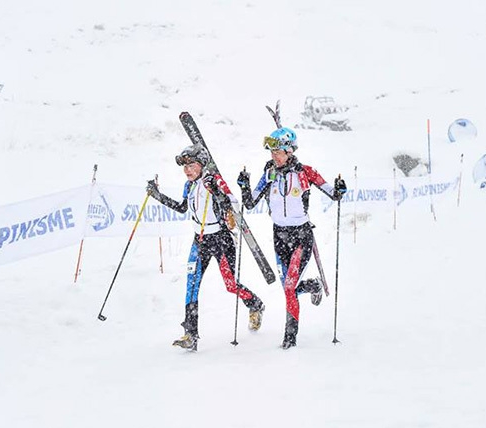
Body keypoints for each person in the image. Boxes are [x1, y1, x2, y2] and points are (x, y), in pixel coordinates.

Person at [146, 144, 265, 352]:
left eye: (191, 165)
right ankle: (191, 334)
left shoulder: (215, 180)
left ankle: (255, 304)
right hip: (199, 241)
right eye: (185, 166)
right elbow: (183, 208)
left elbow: (233, 204)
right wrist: (158, 195)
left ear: (202, 164)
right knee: (191, 286)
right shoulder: (189, 185)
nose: (187, 170)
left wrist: (216, 191)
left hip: (221, 240)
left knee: (230, 285)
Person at [237, 127, 347, 349]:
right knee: (290, 289)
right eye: (271, 152)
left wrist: (339, 189)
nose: (273, 156)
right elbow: (250, 203)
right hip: (279, 236)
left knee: (289, 287)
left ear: (289, 151)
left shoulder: (305, 172)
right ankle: (312, 286)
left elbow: (333, 194)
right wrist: (244, 186)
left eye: (277, 152)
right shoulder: (269, 173)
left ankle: (290, 338)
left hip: (301, 236)